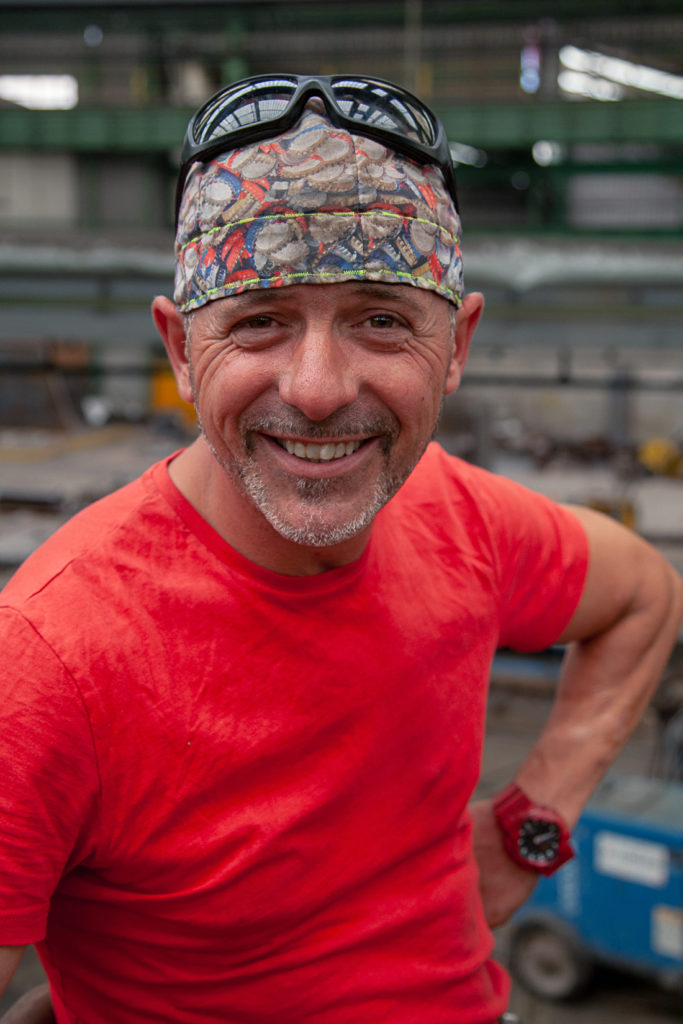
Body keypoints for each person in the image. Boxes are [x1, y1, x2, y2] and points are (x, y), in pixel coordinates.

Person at [0, 74, 681, 1024]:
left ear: (457, 346)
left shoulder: (462, 517)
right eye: (259, 321)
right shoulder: (50, 659)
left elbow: (646, 595)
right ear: (178, 352)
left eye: (380, 318)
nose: (317, 389)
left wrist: (536, 820)